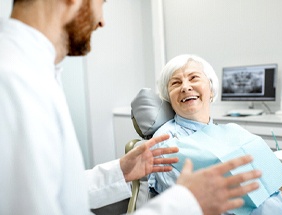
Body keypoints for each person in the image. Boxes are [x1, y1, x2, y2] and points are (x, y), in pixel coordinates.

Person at [0, 1, 262, 215]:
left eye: (195, 78)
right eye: (101, 3)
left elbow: (56, 190)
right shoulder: (13, 81)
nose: (101, 20)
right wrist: (185, 203)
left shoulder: (33, 72)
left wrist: (119, 171)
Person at [149, 54, 282, 215]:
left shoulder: (234, 131)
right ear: (168, 98)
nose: (185, 87)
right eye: (175, 83)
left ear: (212, 89)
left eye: (194, 78)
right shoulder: (166, 142)